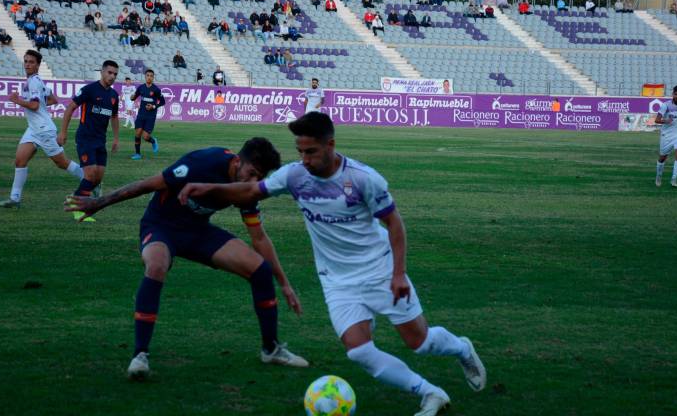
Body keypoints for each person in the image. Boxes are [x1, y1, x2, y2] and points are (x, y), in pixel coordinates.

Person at [177, 113, 487, 416]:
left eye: (311, 152)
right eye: (300, 152)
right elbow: (250, 190)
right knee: (359, 351)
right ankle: (430, 393)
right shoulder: (295, 175)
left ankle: (461, 348)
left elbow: (394, 224)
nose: (305, 159)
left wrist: (399, 274)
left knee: (419, 342)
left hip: (379, 270)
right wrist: (207, 187)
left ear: (331, 145)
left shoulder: (363, 178)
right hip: (337, 280)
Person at [64, 139, 310, 379]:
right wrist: (99, 202)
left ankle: (271, 349)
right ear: (237, 161)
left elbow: (259, 238)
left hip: (198, 232)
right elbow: (147, 184)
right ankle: (140, 355)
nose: (253, 182)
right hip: (161, 226)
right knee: (156, 266)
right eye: (252, 173)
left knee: (260, 270)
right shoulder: (203, 162)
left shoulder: (247, 190)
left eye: (260, 177)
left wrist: (284, 283)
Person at [0, 50, 86, 209]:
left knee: (62, 163)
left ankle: (91, 181)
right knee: (20, 160)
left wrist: (18, 101)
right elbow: (52, 99)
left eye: (31, 62)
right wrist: (36, 104)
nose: (27, 64)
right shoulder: (36, 81)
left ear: (38, 65)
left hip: (43, 130)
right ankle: (14, 198)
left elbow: (35, 106)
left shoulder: (34, 82)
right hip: (33, 129)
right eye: (26, 61)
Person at [58, 60, 121, 221]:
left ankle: (78, 196)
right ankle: (77, 207)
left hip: (101, 140)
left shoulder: (114, 96)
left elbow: (114, 117)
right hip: (85, 138)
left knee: (98, 177)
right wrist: (63, 132)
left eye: (115, 74)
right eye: (110, 72)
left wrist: (116, 138)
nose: (112, 76)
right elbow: (70, 108)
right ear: (102, 71)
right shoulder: (89, 90)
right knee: (90, 174)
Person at [654, 85, 677, 188]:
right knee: (662, 158)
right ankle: (658, 176)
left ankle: (674, 179)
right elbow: (656, 120)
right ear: (673, 94)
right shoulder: (665, 105)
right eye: (676, 94)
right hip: (666, 135)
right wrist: (666, 120)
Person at [130, 69, 163, 160]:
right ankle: (137, 154)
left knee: (145, 137)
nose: (149, 77)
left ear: (153, 77)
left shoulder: (156, 90)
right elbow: (134, 97)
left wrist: (153, 106)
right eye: (147, 75)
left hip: (150, 116)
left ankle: (153, 141)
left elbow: (162, 102)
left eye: (151, 76)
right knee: (137, 133)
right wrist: (132, 97)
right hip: (141, 114)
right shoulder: (141, 88)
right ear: (145, 77)